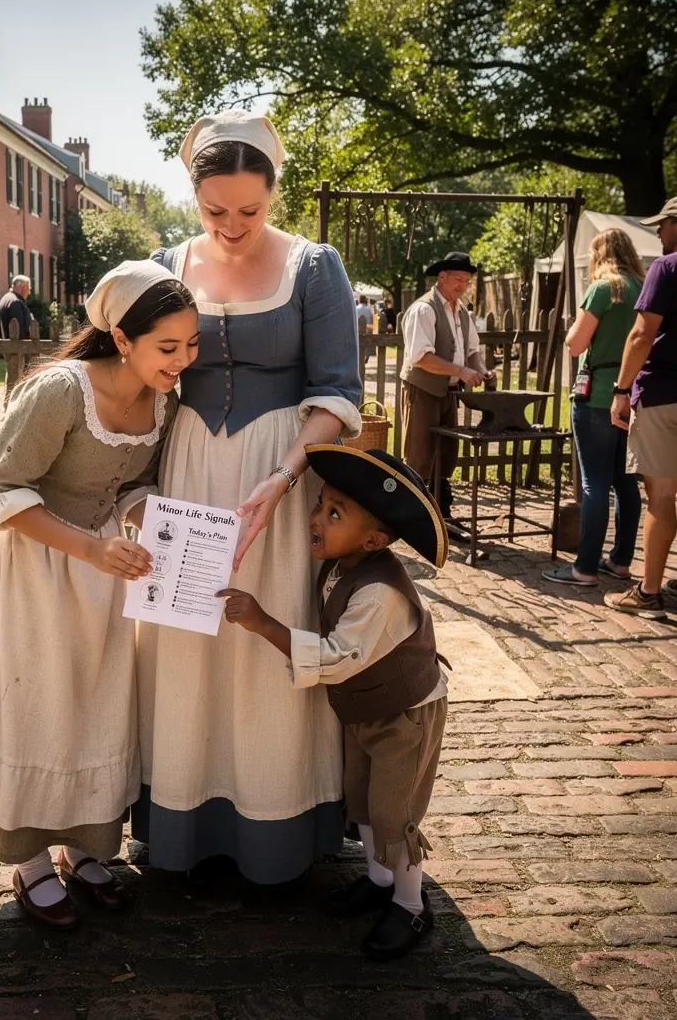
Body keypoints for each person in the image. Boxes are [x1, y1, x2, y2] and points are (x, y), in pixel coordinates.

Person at [0, 261, 198, 929]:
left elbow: (136, 483)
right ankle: (30, 860)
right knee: (34, 704)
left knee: (92, 699)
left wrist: (136, 519)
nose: (182, 361)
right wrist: (93, 547)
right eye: (168, 347)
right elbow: (4, 494)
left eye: (190, 346)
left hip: (99, 568)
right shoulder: (59, 393)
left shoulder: (166, 400)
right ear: (123, 340)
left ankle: (80, 845)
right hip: (29, 562)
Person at [133, 109, 362, 884]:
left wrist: (283, 478)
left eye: (250, 211)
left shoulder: (314, 266)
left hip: (281, 474)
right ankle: (183, 818)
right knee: (187, 642)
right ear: (193, 196)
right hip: (190, 470)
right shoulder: (166, 263)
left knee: (267, 642)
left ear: (274, 193)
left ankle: (278, 823)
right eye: (214, 211)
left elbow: (337, 393)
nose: (231, 227)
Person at [218, 444, 448, 959]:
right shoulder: (344, 564)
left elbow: (338, 658)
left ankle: (411, 906)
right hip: (366, 710)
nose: (317, 519)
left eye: (334, 513)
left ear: (375, 538)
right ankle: (378, 878)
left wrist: (263, 623)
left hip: (405, 715)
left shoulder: (379, 594)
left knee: (395, 813)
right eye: (320, 504)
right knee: (362, 799)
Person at [543, 229, 644, 587]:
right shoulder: (643, 287)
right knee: (626, 481)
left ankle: (584, 568)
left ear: (600, 255)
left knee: (595, 483)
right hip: (632, 395)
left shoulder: (606, 289)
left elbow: (575, 343)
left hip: (598, 395)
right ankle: (620, 561)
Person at [606, 198, 677, 620]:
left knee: (662, 496)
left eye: (663, 223)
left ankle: (649, 593)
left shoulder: (666, 268)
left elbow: (641, 333)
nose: (657, 232)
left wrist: (621, 389)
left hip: (664, 393)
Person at [399, 251, 496, 529]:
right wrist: (461, 371)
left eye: (466, 281)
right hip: (423, 389)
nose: (462, 286)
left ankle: (443, 513)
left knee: (446, 452)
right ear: (441, 277)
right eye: (457, 279)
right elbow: (421, 357)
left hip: (448, 392)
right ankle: (412, 517)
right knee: (420, 453)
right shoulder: (424, 309)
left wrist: (482, 368)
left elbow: (472, 351)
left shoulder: (462, 311)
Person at [0, 274, 34, 339]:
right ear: (23, 287)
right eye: (29, 288)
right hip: (18, 346)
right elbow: (19, 330)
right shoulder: (16, 302)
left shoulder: (5, 298)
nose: (29, 292)